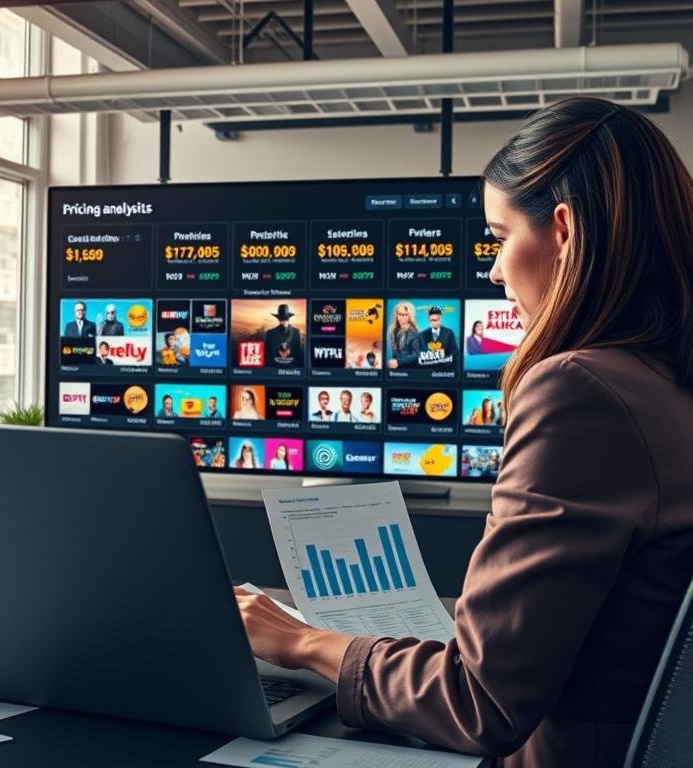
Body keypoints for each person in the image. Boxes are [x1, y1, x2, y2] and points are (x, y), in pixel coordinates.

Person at [234, 97, 693, 768]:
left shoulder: (580, 391)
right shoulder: (665, 383)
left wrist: (302, 641)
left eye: (500, 236)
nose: (494, 269)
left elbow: (480, 700)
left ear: (563, 230)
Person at [386, 302, 422, 369]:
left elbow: (416, 355)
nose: (400, 317)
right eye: (399, 314)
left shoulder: (415, 333)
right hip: (396, 370)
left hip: (410, 369)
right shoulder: (394, 331)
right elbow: (395, 354)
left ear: (409, 316)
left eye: (404, 314)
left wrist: (398, 362)